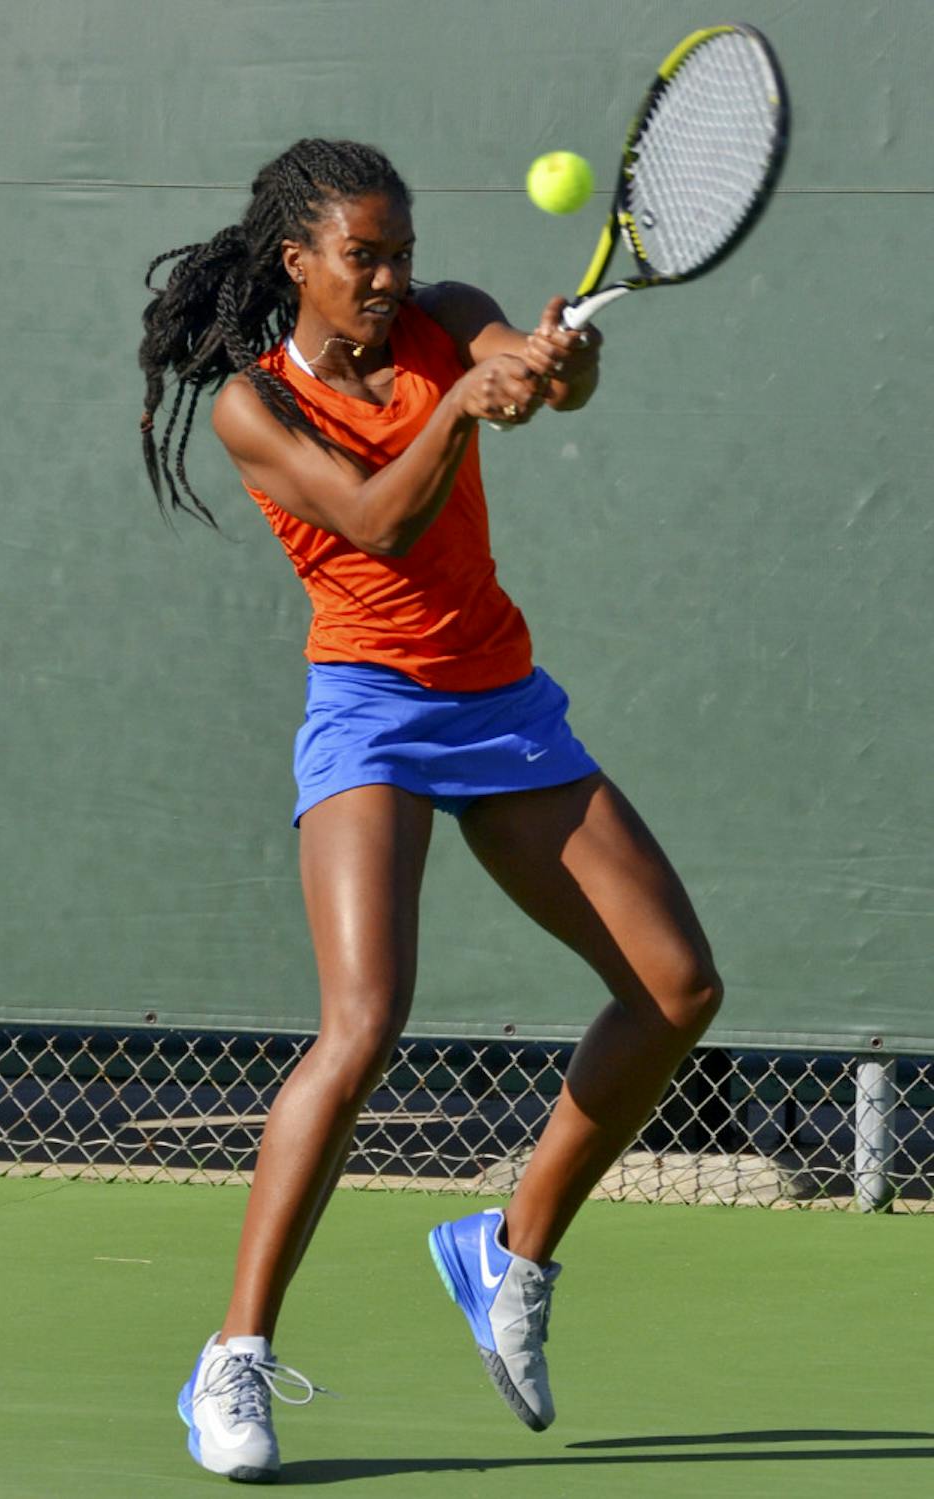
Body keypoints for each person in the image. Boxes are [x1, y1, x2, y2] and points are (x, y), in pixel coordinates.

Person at [139, 137, 722, 1484]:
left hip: (501, 699)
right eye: (365, 258)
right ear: (299, 261)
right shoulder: (253, 410)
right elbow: (379, 523)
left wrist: (551, 367)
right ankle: (231, 1356)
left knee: (679, 989)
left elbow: (535, 381)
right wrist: (464, 407)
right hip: (371, 713)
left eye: (402, 250)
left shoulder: (446, 316)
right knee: (363, 1025)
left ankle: (510, 1249)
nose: (393, 279)